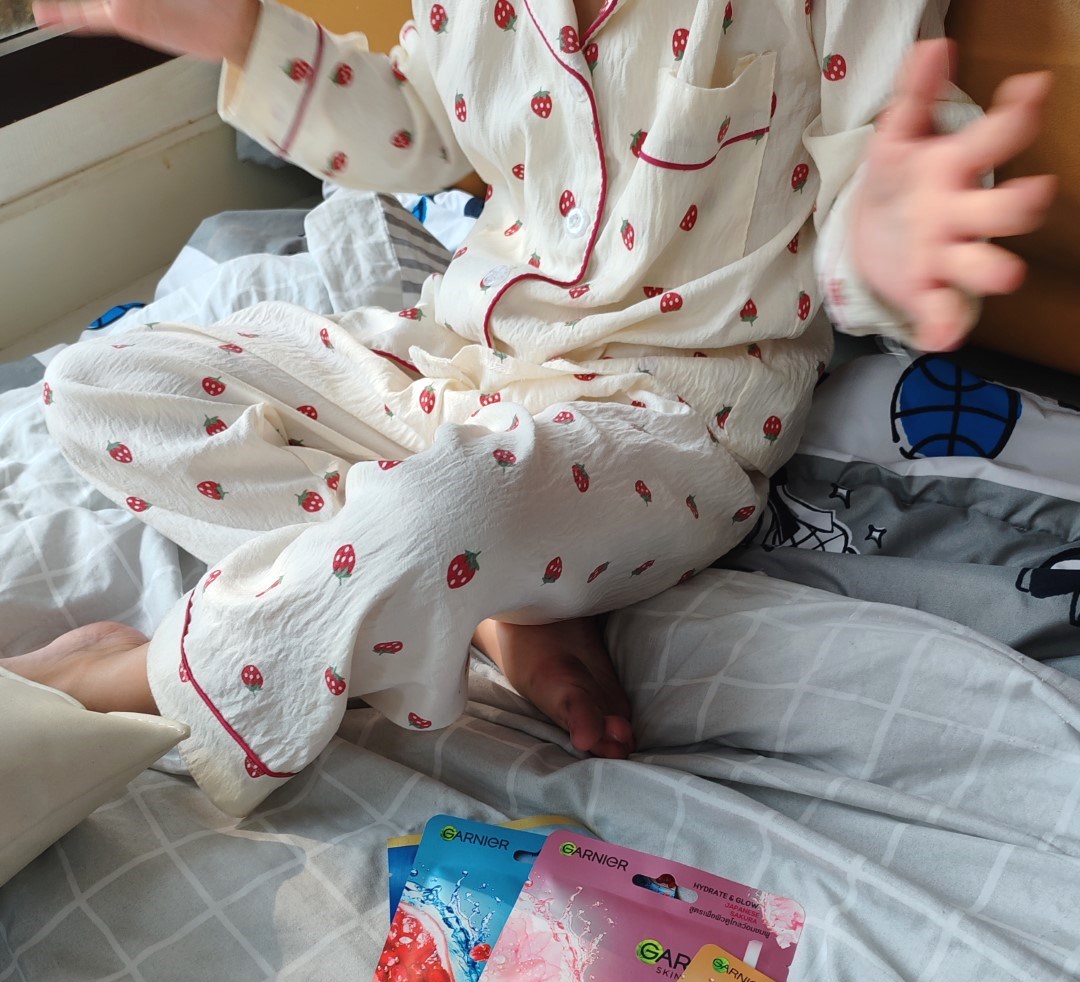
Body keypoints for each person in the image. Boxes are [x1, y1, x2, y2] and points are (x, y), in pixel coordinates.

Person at [10, 0, 1053, 816]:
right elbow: (423, 127)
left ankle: (122, 686)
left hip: (666, 418)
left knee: (439, 508)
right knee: (103, 385)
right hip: (458, 364)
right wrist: (246, 35)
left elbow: (882, 149)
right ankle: (496, 609)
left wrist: (882, 238)